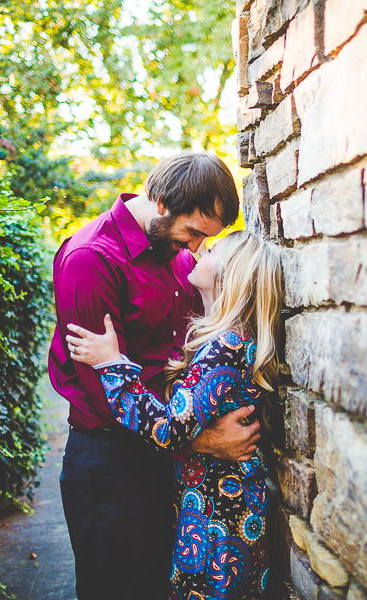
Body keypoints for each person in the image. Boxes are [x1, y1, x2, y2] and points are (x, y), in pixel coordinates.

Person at [48, 152, 261, 600]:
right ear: (162, 202)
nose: (197, 247)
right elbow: (99, 390)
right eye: (194, 232)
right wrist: (201, 442)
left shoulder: (179, 256)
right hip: (111, 459)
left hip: (165, 449)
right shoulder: (91, 259)